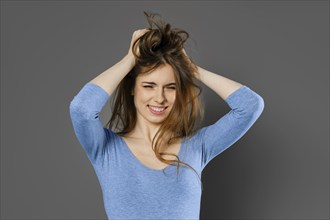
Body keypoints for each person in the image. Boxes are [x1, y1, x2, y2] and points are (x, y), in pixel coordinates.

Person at [69, 11, 264, 220]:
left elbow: (250, 105)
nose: (159, 98)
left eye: (170, 87)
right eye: (149, 85)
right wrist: (129, 60)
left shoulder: (198, 147)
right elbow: (82, 109)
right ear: (133, 88)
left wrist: (190, 69)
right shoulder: (106, 149)